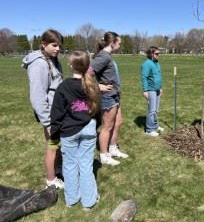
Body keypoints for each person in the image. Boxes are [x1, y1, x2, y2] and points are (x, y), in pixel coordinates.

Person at [50, 51, 100, 210]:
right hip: (88, 129)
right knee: (86, 166)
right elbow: (99, 109)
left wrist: (54, 133)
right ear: (87, 66)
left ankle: (74, 200)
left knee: (70, 166)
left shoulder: (64, 86)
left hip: (70, 131)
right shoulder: (93, 84)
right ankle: (87, 202)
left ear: (71, 65)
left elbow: (57, 112)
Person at [22, 29, 64, 189]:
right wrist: (48, 122)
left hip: (58, 112)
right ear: (43, 44)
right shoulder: (39, 64)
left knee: (58, 145)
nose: (57, 49)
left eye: (59, 46)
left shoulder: (54, 60)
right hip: (50, 115)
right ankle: (51, 180)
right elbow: (37, 96)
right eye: (54, 45)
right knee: (52, 146)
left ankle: (58, 170)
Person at [90, 31, 128, 165]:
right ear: (113, 43)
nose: (121, 45)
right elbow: (88, 72)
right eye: (119, 42)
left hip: (115, 95)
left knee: (118, 122)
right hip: (108, 97)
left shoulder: (107, 56)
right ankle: (104, 155)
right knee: (107, 126)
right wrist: (97, 86)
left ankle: (112, 148)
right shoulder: (104, 56)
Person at [141, 46, 164, 137]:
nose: (159, 55)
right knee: (151, 110)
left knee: (155, 110)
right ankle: (149, 130)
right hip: (151, 90)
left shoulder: (157, 63)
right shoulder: (147, 64)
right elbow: (144, 77)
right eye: (157, 54)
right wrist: (145, 90)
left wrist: (160, 87)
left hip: (157, 89)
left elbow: (158, 76)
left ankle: (155, 125)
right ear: (151, 54)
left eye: (159, 54)